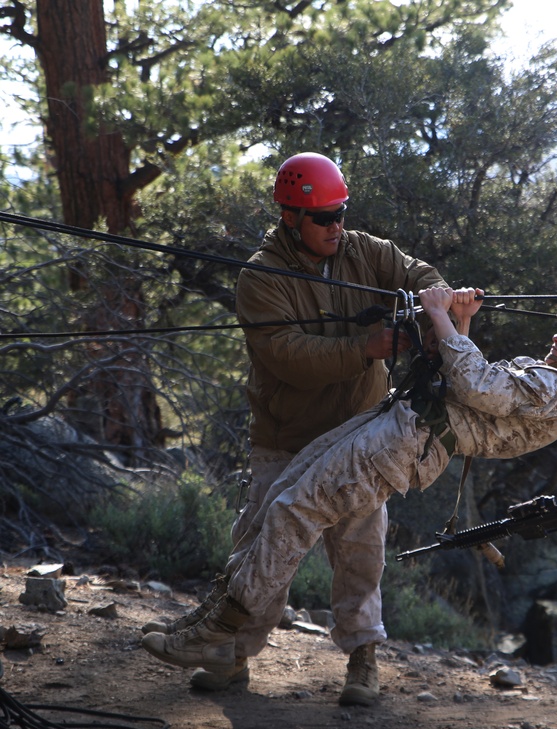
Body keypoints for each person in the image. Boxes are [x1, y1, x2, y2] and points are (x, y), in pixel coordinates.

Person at [141, 287, 557, 707]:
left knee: (294, 513)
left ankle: (215, 632)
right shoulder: (554, 383)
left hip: (403, 443)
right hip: (397, 427)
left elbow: (477, 383)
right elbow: (472, 389)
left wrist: (443, 316)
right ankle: (212, 621)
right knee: (280, 498)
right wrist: (461, 324)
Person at [141, 152, 448, 699]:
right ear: (290, 217)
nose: (337, 226)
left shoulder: (364, 251)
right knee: (263, 549)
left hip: (360, 435)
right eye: (323, 218)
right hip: (286, 437)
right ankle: (231, 656)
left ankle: (363, 662)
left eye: (341, 213)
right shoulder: (260, 277)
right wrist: (366, 347)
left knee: (361, 549)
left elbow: (419, 273)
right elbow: (287, 356)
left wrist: (437, 303)